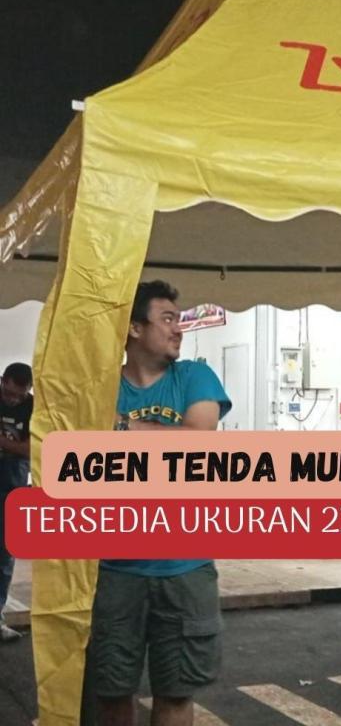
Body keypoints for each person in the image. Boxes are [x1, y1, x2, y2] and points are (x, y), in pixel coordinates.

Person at [91, 280, 231, 726]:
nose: (178, 329)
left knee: (176, 693)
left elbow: (196, 444)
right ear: (135, 328)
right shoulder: (99, 388)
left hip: (185, 568)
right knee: (111, 692)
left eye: (179, 319)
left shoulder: (194, 377)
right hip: (113, 570)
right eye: (167, 319)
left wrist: (121, 430)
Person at [0, 362, 33, 643]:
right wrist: (15, 446)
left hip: (13, 482)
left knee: (5, 553)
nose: (13, 400)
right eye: (9, 394)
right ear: (3, 381)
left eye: (18, 396)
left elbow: (32, 449)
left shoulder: (32, 406)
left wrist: (5, 444)